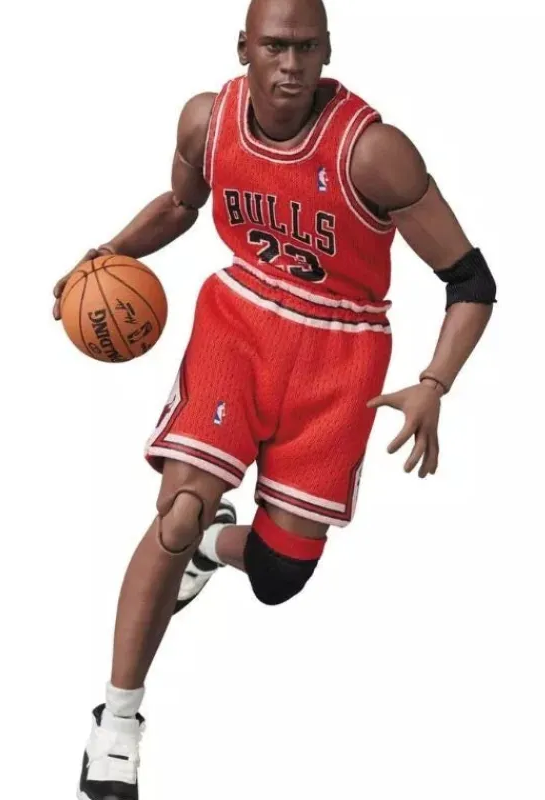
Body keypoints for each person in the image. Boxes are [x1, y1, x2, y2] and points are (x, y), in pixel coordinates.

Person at [52, 0, 496, 796]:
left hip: (340, 350)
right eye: (275, 47)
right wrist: (105, 256)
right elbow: (181, 206)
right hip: (242, 321)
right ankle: (117, 722)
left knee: (277, 577)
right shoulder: (207, 121)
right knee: (177, 509)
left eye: (306, 48)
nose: (291, 65)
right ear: (244, 48)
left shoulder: (374, 153)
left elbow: (470, 280)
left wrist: (435, 383)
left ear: (327, 52)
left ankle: (210, 548)